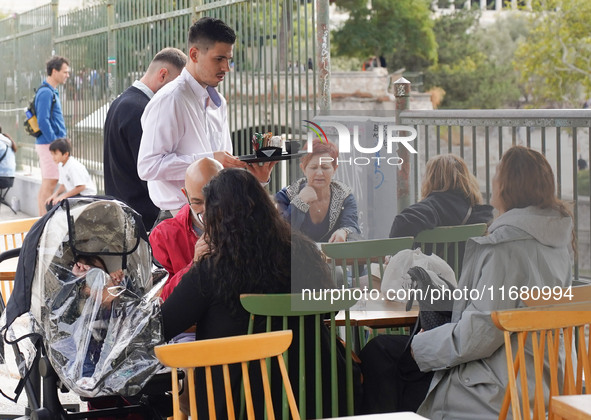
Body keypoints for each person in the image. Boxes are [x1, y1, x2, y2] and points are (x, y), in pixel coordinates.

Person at [360, 146, 574, 419]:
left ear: (508, 186)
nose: (493, 182)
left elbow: (479, 335)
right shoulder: (558, 246)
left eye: (497, 174)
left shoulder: (504, 249)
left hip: (500, 387)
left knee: (383, 355)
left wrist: (421, 346)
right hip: (547, 378)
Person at [160, 169, 354, 418]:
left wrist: (195, 265)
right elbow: (330, 306)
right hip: (311, 398)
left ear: (217, 218)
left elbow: (164, 324)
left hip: (237, 406)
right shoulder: (303, 253)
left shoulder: (212, 270)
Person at [138, 17, 273, 218]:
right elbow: (148, 166)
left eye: (229, 59)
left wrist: (257, 179)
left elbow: (222, 169)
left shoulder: (219, 102)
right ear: (194, 54)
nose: (226, 68)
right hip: (180, 218)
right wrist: (208, 159)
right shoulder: (170, 99)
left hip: (219, 217)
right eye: (219, 59)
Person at [103, 48, 187, 231]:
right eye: (177, 85)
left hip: (121, 212)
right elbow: (150, 171)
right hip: (141, 220)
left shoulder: (121, 102)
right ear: (163, 75)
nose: (179, 93)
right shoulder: (143, 110)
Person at [149, 157, 222, 301]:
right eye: (197, 202)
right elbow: (158, 299)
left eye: (214, 200)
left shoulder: (243, 224)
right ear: (185, 195)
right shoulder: (164, 235)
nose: (207, 210)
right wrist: (194, 266)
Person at [275, 138, 360, 242]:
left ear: (334, 169)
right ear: (303, 169)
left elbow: (353, 228)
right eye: (313, 167)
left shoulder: (344, 195)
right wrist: (299, 202)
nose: (319, 173)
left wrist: (344, 232)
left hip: (331, 257)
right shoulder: (286, 195)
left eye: (325, 167)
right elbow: (279, 232)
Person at [36, 56, 70, 216]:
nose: (67, 75)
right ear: (54, 71)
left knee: (51, 181)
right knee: (49, 182)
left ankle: (42, 222)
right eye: (64, 72)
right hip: (49, 145)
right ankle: (42, 223)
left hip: (52, 144)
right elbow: (43, 120)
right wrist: (55, 144)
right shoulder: (45, 93)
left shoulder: (51, 91)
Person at [45, 138, 97, 210]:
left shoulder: (73, 166)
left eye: (55, 154)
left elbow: (81, 187)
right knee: (50, 203)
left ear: (66, 154)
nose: (53, 157)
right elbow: (63, 185)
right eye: (52, 154)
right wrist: (55, 195)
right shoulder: (61, 165)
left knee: (58, 206)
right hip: (76, 196)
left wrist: (63, 196)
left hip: (85, 197)